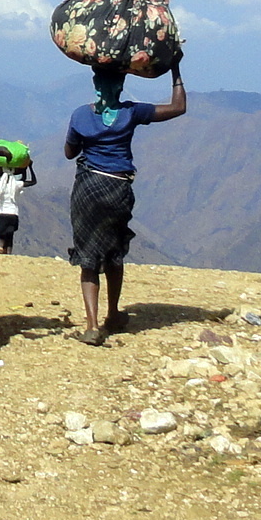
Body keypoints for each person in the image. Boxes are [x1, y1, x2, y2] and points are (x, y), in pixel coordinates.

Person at [62, 62, 187, 340]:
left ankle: (92, 326)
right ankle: (114, 314)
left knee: (88, 257)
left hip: (87, 189)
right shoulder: (131, 112)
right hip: (118, 188)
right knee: (114, 251)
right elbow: (178, 108)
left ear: (96, 86)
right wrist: (175, 69)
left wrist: (87, 139)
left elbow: (70, 152)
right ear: (120, 86)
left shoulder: (80, 115)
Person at [0, 157, 33, 254]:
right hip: (13, 215)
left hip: (0, 214)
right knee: (10, 238)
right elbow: (32, 181)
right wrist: (29, 167)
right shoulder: (15, 185)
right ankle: (9, 255)